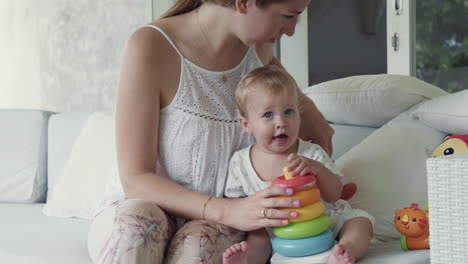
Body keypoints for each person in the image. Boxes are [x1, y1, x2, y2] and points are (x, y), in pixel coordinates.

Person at [87, 0, 335, 263]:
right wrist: (226, 210)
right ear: (244, 3)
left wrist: (307, 108)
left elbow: (274, 72)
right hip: (146, 206)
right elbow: (136, 180)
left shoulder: (259, 49)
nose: (291, 30)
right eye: (288, 16)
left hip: (219, 219)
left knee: (200, 248)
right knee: (138, 228)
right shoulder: (150, 46)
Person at [223, 65, 374, 264]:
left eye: (288, 111)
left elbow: (334, 194)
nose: (281, 122)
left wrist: (317, 169)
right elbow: (234, 204)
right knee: (258, 236)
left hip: (326, 219)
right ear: (247, 124)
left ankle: (346, 250)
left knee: (360, 221)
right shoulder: (240, 162)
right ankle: (247, 259)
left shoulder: (310, 152)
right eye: (268, 115)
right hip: (276, 228)